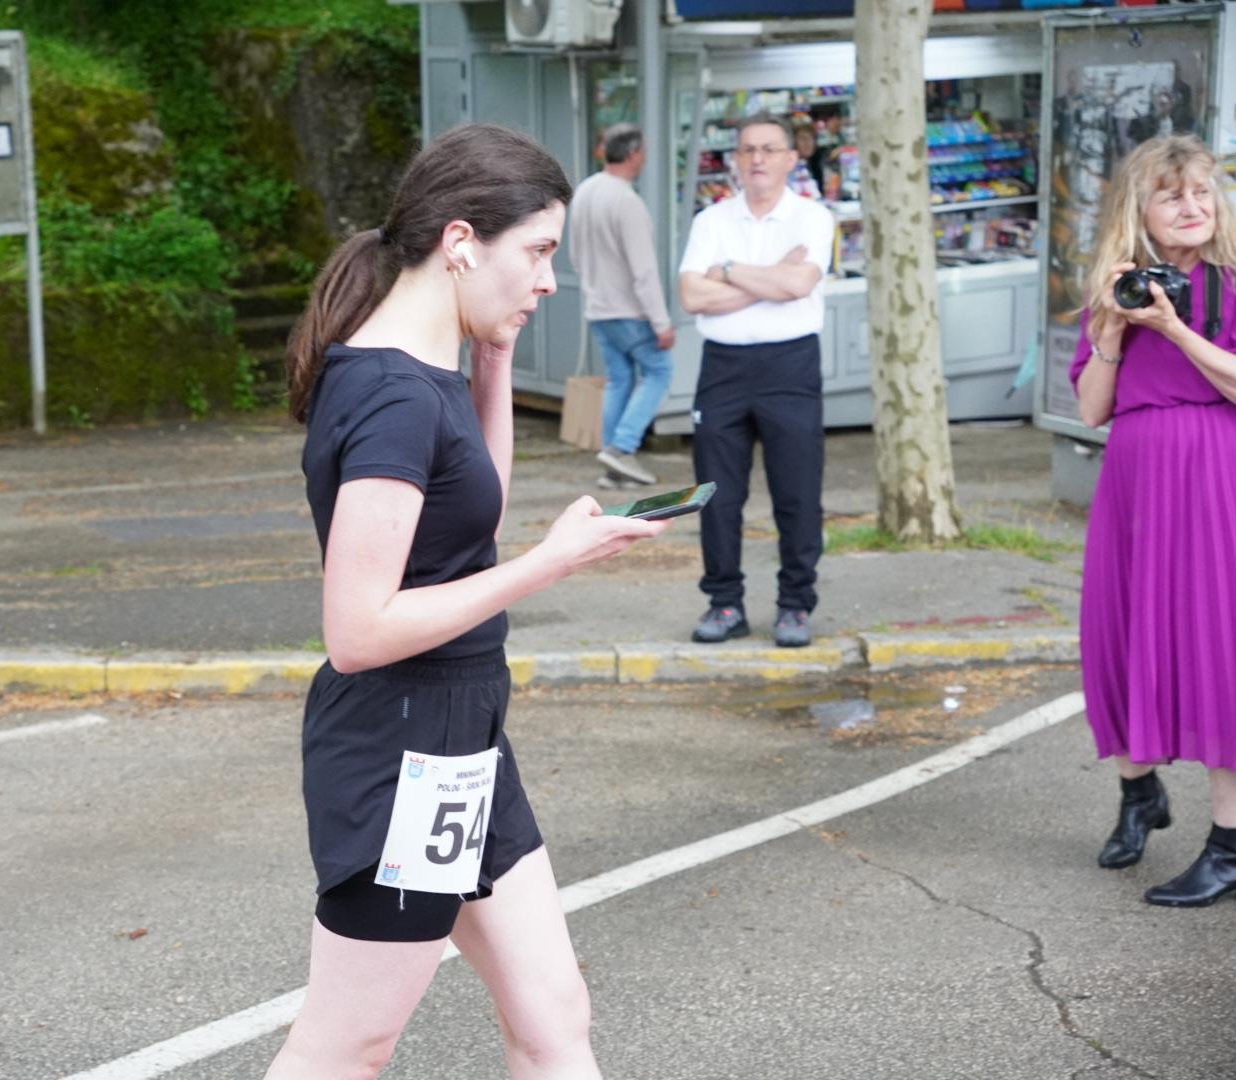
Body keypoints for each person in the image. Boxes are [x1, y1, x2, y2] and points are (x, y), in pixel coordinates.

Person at [267, 123, 666, 1079]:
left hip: (460, 739)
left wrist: (491, 368)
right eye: (536, 252)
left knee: (554, 1017)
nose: (548, 281)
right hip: (405, 750)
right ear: (459, 243)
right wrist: (551, 562)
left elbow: (465, 511)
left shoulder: (424, 372)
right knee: (347, 1047)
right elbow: (359, 631)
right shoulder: (394, 396)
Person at [1071, 134, 1236, 907]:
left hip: (1217, 472)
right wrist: (1111, 331)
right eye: (1172, 194)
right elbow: (1090, 409)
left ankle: (1234, 845)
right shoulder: (1117, 289)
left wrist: (1176, 328)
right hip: (1134, 479)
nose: (1191, 206)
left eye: (1202, 192)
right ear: (1139, 209)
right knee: (1120, 631)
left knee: (1217, 645)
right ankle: (1138, 791)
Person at [676, 113, 836, 649]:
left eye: (770, 149)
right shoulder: (712, 220)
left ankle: (795, 605)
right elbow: (693, 297)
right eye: (747, 150)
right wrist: (765, 280)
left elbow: (799, 285)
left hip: (790, 367)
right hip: (723, 368)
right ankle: (724, 604)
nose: (758, 159)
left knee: (797, 495)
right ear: (736, 160)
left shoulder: (813, 218)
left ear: (793, 158)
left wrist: (726, 272)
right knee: (717, 496)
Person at [567, 122, 676, 490]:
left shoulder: (584, 191)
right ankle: (621, 447)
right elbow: (643, 269)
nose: (644, 157)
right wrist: (661, 322)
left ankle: (612, 462)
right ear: (632, 154)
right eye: (642, 150)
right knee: (659, 371)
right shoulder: (627, 201)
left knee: (620, 379)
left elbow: (575, 255)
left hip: (597, 305)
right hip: (629, 309)